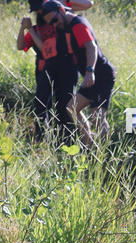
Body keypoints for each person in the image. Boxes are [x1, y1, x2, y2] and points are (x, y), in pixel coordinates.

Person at [40, 0, 115, 147]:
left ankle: (106, 151)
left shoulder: (78, 24)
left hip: (101, 74)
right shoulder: (67, 27)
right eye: (51, 24)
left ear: (62, 10)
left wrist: (90, 71)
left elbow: (91, 47)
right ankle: (89, 145)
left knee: (97, 115)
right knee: (72, 108)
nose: (55, 25)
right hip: (92, 76)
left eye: (55, 20)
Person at [17, 0, 92, 141]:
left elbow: (88, 3)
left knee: (65, 105)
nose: (40, 13)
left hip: (67, 67)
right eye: (37, 11)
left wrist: (62, 3)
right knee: (41, 104)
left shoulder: (61, 20)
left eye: (41, 9)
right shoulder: (39, 28)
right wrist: (25, 28)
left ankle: (67, 141)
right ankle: (42, 140)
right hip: (47, 69)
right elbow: (21, 46)